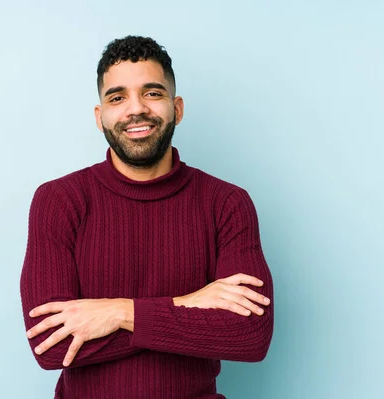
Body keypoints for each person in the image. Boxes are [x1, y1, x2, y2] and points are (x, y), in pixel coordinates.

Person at [20, 35, 274, 399]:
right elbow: (52, 345)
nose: (135, 109)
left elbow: (249, 334)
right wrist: (190, 302)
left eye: (152, 93)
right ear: (100, 116)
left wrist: (119, 313)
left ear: (178, 108)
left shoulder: (227, 203)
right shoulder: (59, 200)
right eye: (117, 97)